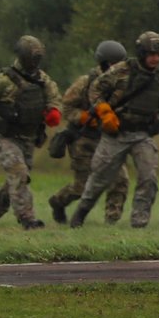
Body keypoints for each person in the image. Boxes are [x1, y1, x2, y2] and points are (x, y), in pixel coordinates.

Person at [68, 29, 159, 229]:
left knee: (148, 178)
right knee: (99, 178)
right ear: (142, 53)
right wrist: (104, 111)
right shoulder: (120, 70)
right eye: (151, 54)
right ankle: (80, 214)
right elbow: (96, 90)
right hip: (115, 135)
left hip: (142, 135)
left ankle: (139, 222)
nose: (155, 59)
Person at [0, 35, 60, 231]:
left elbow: (53, 96)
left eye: (38, 58)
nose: (35, 62)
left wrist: (54, 110)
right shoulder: (2, 81)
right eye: (32, 57)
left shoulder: (43, 80)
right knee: (19, 174)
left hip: (29, 139)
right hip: (5, 138)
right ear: (23, 56)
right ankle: (27, 219)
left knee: (16, 178)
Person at [48, 41, 129, 226]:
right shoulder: (85, 82)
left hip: (110, 139)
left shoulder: (124, 84)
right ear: (103, 63)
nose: (117, 67)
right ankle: (58, 202)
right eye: (113, 63)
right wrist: (84, 117)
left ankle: (112, 221)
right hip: (83, 139)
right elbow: (66, 107)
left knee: (120, 180)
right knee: (81, 187)